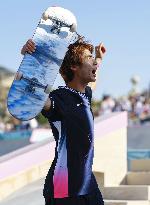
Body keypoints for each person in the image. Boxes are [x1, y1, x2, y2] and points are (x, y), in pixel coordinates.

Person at [21, 37, 106, 205]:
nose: (94, 63)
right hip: (64, 189)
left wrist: (98, 58)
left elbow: (92, 84)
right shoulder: (60, 98)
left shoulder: (84, 96)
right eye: (88, 58)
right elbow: (38, 99)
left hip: (87, 184)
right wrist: (28, 58)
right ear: (74, 67)